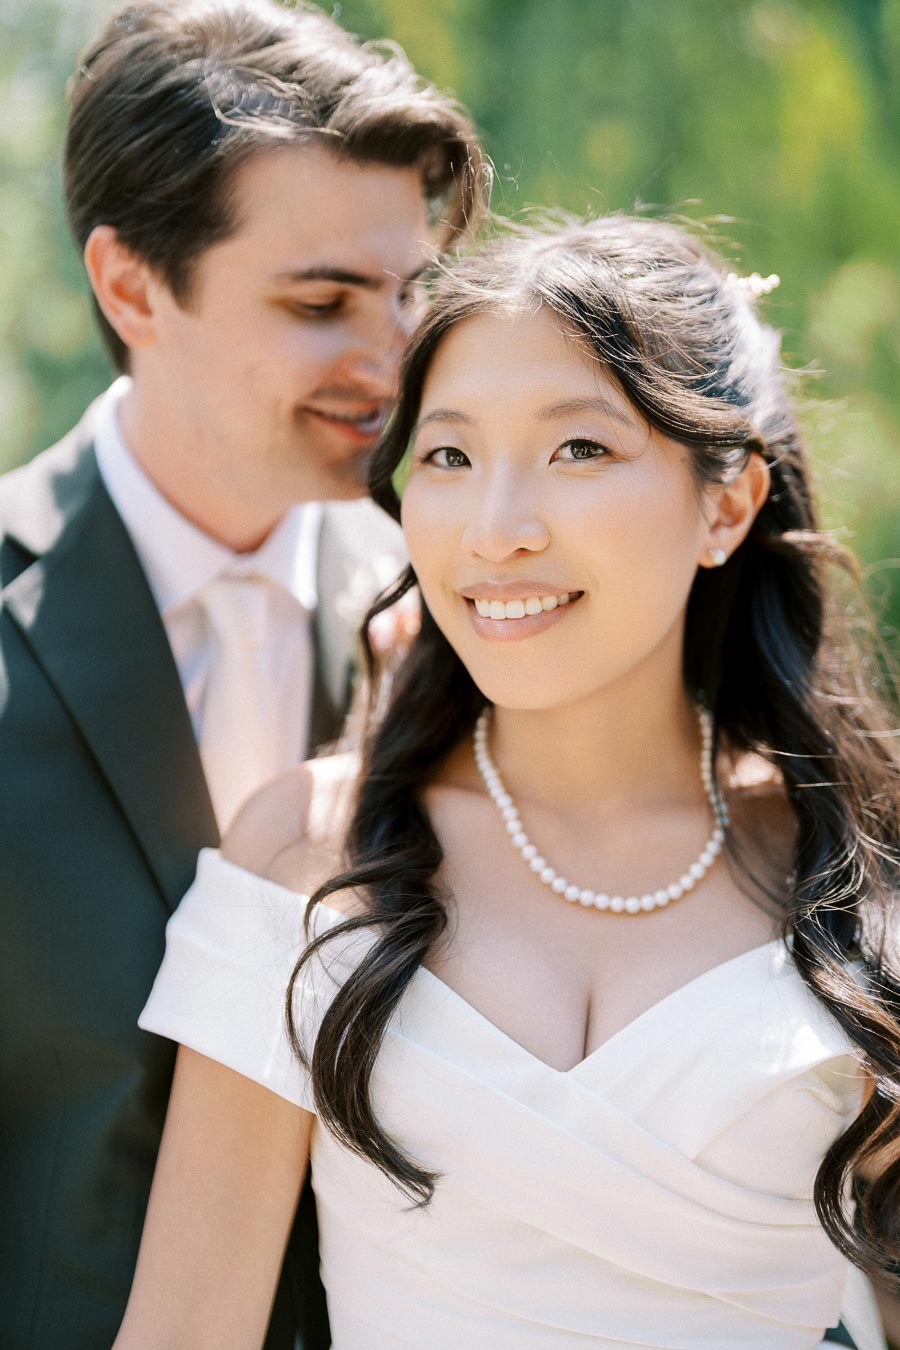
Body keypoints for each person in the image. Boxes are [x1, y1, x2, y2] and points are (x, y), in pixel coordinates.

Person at [121, 214, 899, 1349]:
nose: (496, 531)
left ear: (724, 505)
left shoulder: (858, 870)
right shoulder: (309, 850)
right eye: (448, 456)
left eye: (578, 450)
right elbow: (187, 1328)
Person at [0, 2, 486, 1346]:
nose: (391, 362)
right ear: (131, 285)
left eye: (407, 294)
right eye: (322, 302)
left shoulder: (469, 627)